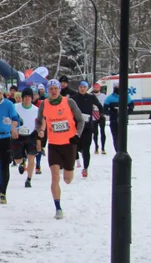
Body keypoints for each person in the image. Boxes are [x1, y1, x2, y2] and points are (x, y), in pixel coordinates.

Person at [36, 79, 85, 219]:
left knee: (68, 179)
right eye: (50, 89)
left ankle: (68, 170)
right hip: (54, 145)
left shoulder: (69, 102)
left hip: (69, 144)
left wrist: (77, 135)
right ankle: (58, 208)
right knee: (55, 176)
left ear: (59, 90)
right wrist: (39, 131)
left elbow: (80, 120)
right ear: (47, 90)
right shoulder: (44, 104)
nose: (53, 91)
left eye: (55, 89)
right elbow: (39, 121)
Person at [70, 80, 104, 178]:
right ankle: (74, 162)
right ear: (78, 88)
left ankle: (85, 168)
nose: (82, 89)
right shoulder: (74, 98)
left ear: (87, 88)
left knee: (86, 148)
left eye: (84, 87)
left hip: (88, 126)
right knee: (75, 146)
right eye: (81, 87)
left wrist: (100, 116)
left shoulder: (91, 97)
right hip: (76, 127)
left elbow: (100, 107)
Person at [11, 86, 40, 188]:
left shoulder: (36, 109)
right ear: (22, 97)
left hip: (31, 135)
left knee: (32, 157)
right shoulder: (15, 107)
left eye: (29, 96)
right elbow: (10, 119)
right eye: (25, 96)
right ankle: (22, 161)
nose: (27, 98)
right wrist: (12, 128)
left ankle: (29, 179)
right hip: (18, 135)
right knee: (17, 160)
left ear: (32, 98)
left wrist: (40, 134)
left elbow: (41, 122)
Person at [92, 83, 108, 154]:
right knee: (95, 133)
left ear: (99, 88)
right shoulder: (91, 96)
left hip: (101, 116)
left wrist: (104, 112)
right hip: (93, 116)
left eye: (97, 87)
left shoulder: (103, 96)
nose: (96, 89)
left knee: (102, 132)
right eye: (94, 87)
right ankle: (96, 147)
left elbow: (106, 105)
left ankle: (103, 147)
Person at [104, 86, 121, 152]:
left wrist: (127, 113)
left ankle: (122, 150)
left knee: (121, 137)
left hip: (123, 121)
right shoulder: (109, 98)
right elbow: (105, 109)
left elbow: (131, 105)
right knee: (115, 137)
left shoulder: (125, 96)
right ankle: (117, 151)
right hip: (113, 120)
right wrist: (111, 113)